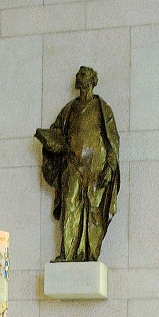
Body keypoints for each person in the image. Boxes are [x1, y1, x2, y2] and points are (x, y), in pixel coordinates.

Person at [35, 66, 120, 262]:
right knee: (70, 204)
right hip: (73, 165)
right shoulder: (69, 109)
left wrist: (110, 166)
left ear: (92, 80)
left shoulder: (102, 108)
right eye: (78, 75)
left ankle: (90, 254)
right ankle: (68, 253)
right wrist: (50, 142)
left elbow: (112, 142)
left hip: (96, 169)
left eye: (83, 75)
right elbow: (57, 132)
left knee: (93, 210)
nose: (78, 78)